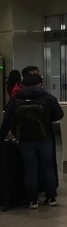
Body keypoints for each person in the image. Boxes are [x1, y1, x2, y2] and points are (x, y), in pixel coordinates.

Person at [0, 74, 63, 208]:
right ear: (40, 83)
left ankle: (32, 200)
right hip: (44, 137)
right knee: (48, 167)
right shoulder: (48, 97)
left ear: (23, 84)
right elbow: (59, 114)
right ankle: (51, 198)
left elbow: (7, 120)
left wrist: (2, 136)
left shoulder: (16, 98)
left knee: (30, 169)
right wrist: (46, 120)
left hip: (25, 139)